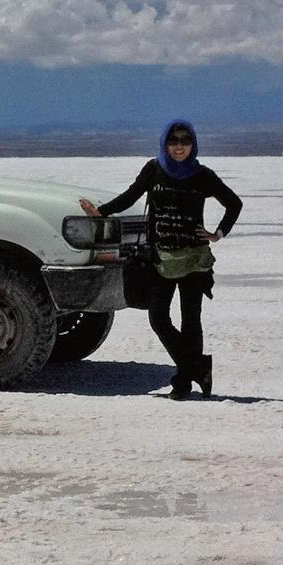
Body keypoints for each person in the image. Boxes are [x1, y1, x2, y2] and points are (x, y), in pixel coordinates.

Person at [80, 120, 242, 400]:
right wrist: (101, 212)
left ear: (193, 144)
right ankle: (197, 366)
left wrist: (217, 234)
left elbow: (234, 203)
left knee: (191, 319)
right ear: (165, 143)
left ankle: (183, 382)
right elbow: (131, 195)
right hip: (160, 259)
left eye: (185, 140)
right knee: (159, 318)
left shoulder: (203, 175)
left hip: (193, 259)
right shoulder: (153, 170)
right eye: (174, 140)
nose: (179, 147)